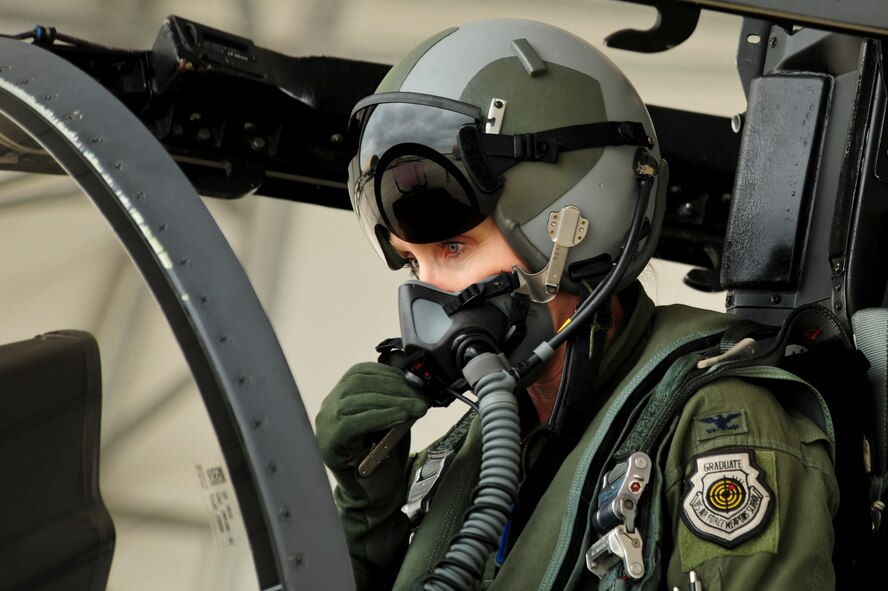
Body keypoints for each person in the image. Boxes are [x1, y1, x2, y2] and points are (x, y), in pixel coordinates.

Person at [315, 19, 838, 591]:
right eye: (413, 262)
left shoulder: (716, 431)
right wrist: (370, 515)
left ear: (572, 229)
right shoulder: (472, 453)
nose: (427, 290)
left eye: (454, 247)